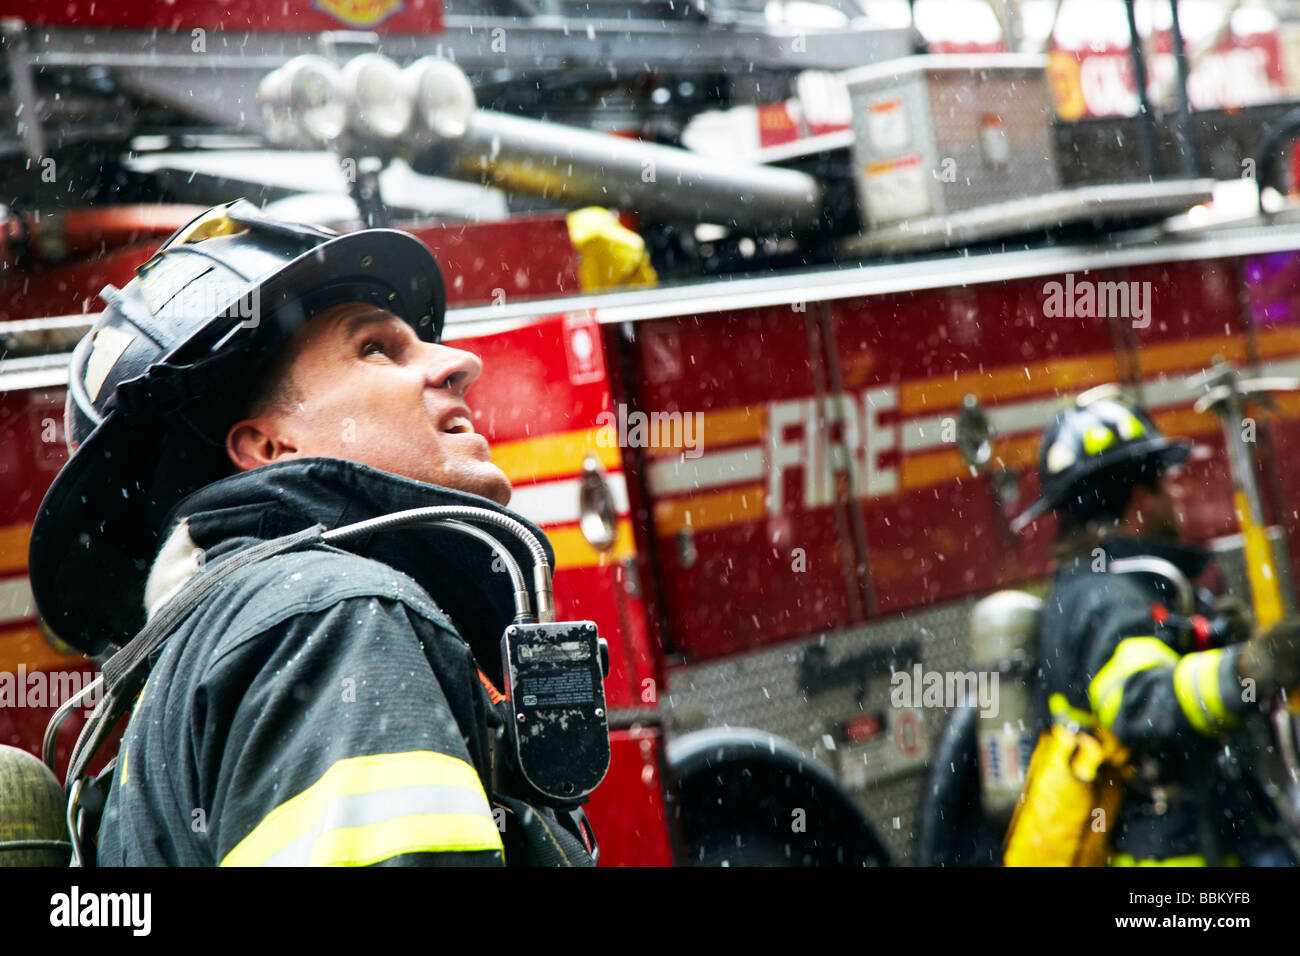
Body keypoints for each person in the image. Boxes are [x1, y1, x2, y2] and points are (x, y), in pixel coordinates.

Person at [28, 200, 597, 866]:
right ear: (269, 446)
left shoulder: (225, 647)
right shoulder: (329, 616)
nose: (460, 362)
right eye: (376, 348)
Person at [1013, 389, 1300, 866]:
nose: (1178, 491)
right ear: (1137, 495)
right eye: (1166, 481)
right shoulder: (1103, 597)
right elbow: (1143, 701)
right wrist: (1247, 670)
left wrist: (1218, 637)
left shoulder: (1121, 585)